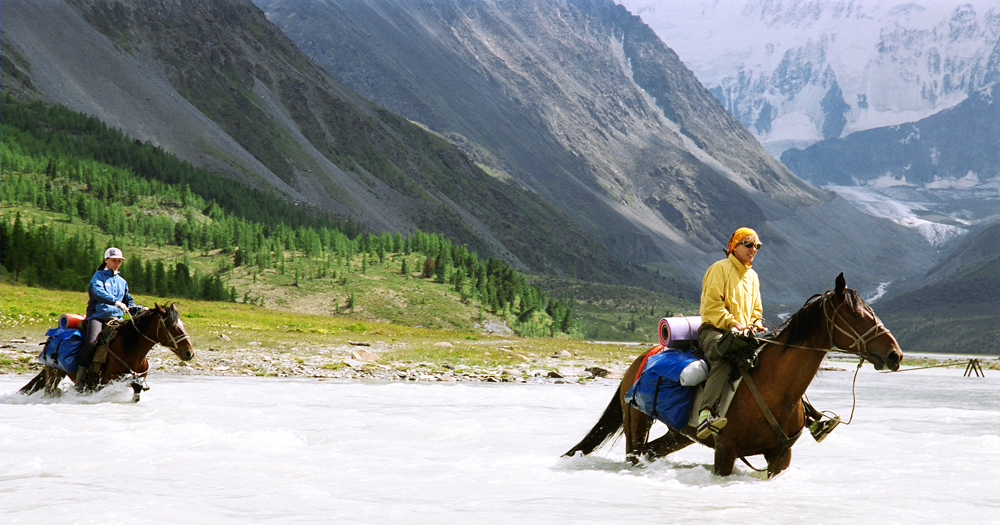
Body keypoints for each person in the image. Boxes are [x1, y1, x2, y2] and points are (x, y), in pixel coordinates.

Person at [696, 227, 766, 439]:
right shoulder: (719, 268)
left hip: (743, 333)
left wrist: (756, 323)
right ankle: (705, 416)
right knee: (725, 358)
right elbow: (712, 306)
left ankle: (809, 418)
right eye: (748, 244)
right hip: (714, 330)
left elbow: (756, 310)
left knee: (775, 359)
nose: (753, 249)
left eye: (757, 246)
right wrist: (734, 324)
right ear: (733, 246)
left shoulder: (753, 276)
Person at [75, 247, 146, 388]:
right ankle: (80, 379)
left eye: (119, 261)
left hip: (116, 319)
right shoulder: (98, 276)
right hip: (97, 317)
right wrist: (115, 302)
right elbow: (98, 292)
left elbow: (129, 302)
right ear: (106, 260)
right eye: (114, 260)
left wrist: (140, 309)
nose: (117, 263)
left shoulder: (122, 282)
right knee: (91, 342)